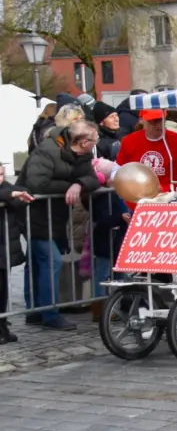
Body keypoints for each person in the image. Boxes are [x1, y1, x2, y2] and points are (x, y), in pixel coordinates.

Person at [20, 120, 100, 331]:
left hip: (55, 216)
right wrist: (69, 186)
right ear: (83, 142)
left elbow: (92, 179)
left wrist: (79, 184)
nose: (96, 143)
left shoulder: (83, 154)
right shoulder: (46, 150)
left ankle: (35, 311)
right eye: (94, 140)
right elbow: (37, 183)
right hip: (33, 213)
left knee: (37, 262)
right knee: (50, 260)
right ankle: (49, 314)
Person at [117, 110, 177, 194]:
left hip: (171, 195)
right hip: (140, 196)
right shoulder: (129, 141)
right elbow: (117, 169)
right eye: (153, 121)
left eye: (161, 120)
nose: (158, 125)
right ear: (142, 120)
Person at [0, 165, 36, 344]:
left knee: (2, 290)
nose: (0, 178)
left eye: (1, 174)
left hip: (4, 248)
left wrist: (11, 195)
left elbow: (22, 193)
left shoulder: (6, 187)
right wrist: (11, 196)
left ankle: (2, 326)